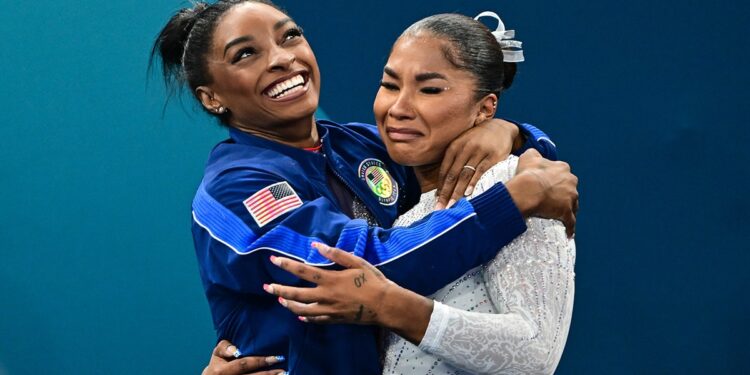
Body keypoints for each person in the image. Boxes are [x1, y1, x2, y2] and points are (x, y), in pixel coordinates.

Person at [149, 1, 578, 374]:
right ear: (211, 98)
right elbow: (361, 270)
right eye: (245, 54)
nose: (281, 59)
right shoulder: (234, 188)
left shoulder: (358, 144)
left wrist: (514, 135)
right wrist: (513, 201)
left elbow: (448, 156)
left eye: (290, 36)